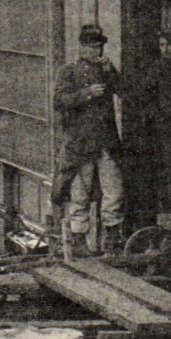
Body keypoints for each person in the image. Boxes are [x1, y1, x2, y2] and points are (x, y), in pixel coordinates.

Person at [53, 23, 125, 256]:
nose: (97, 52)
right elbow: (59, 101)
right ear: (82, 48)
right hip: (81, 144)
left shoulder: (106, 70)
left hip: (106, 142)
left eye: (99, 48)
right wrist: (86, 95)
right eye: (92, 48)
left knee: (113, 190)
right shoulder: (69, 71)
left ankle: (112, 239)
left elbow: (124, 91)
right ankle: (79, 241)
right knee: (79, 193)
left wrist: (112, 71)